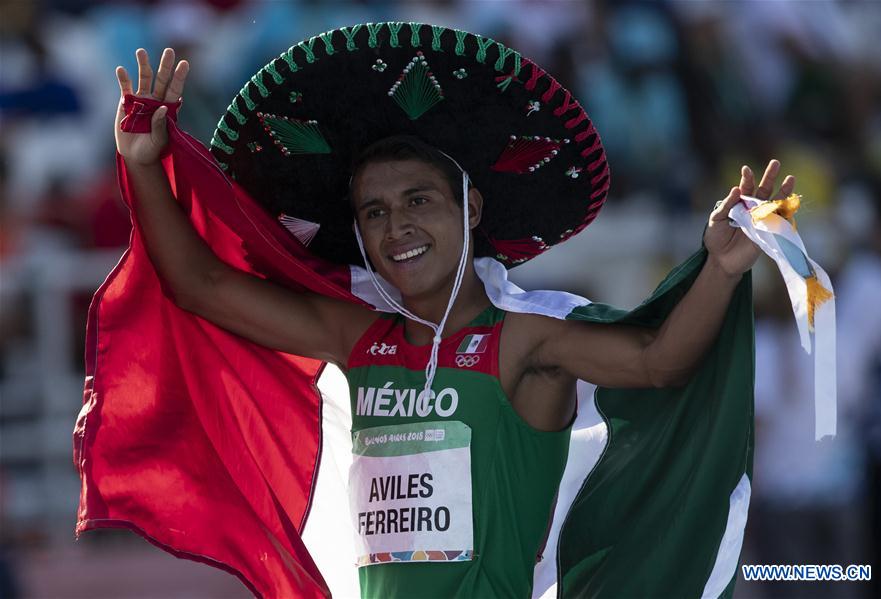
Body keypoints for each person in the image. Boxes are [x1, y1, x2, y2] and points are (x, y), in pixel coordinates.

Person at [81, 24, 794, 598]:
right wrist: (144, 164)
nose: (398, 228)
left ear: (470, 207)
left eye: (419, 201)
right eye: (375, 211)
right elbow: (200, 288)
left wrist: (722, 269)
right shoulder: (358, 337)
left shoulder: (524, 341)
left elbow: (661, 361)